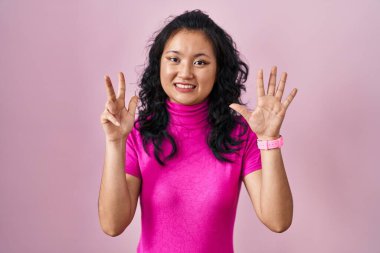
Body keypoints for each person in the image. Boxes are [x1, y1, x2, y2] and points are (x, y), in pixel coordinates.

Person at [98, 9, 297, 252]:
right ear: (158, 63)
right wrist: (114, 142)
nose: (185, 72)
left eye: (200, 62)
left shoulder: (240, 135)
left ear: (218, 70)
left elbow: (278, 221)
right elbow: (112, 224)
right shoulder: (138, 133)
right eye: (174, 59)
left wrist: (268, 140)